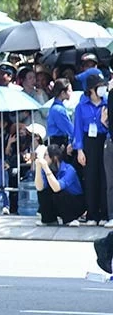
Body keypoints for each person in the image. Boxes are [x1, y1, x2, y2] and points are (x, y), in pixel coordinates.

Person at [71, 76, 107, 224]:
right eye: (99, 85)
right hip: (89, 142)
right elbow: (77, 130)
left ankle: (105, 214)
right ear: (91, 88)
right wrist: (79, 150)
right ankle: (91, 214)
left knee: (104, 177)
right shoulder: (81, 106)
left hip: (103, 139)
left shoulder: (107, 103)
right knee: (90, 178)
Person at [34, 143, 85, 226]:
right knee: (43, 192)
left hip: (75, 203)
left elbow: (57, 188)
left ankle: (70, 219)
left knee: (59, 193)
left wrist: (46, 168)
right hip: (59, 204)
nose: (44, 158)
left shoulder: (69, 169)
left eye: (46, 155)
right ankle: (49, 219)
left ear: (54, 157)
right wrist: (38, 168)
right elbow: (39, 187)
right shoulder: (46, 168)